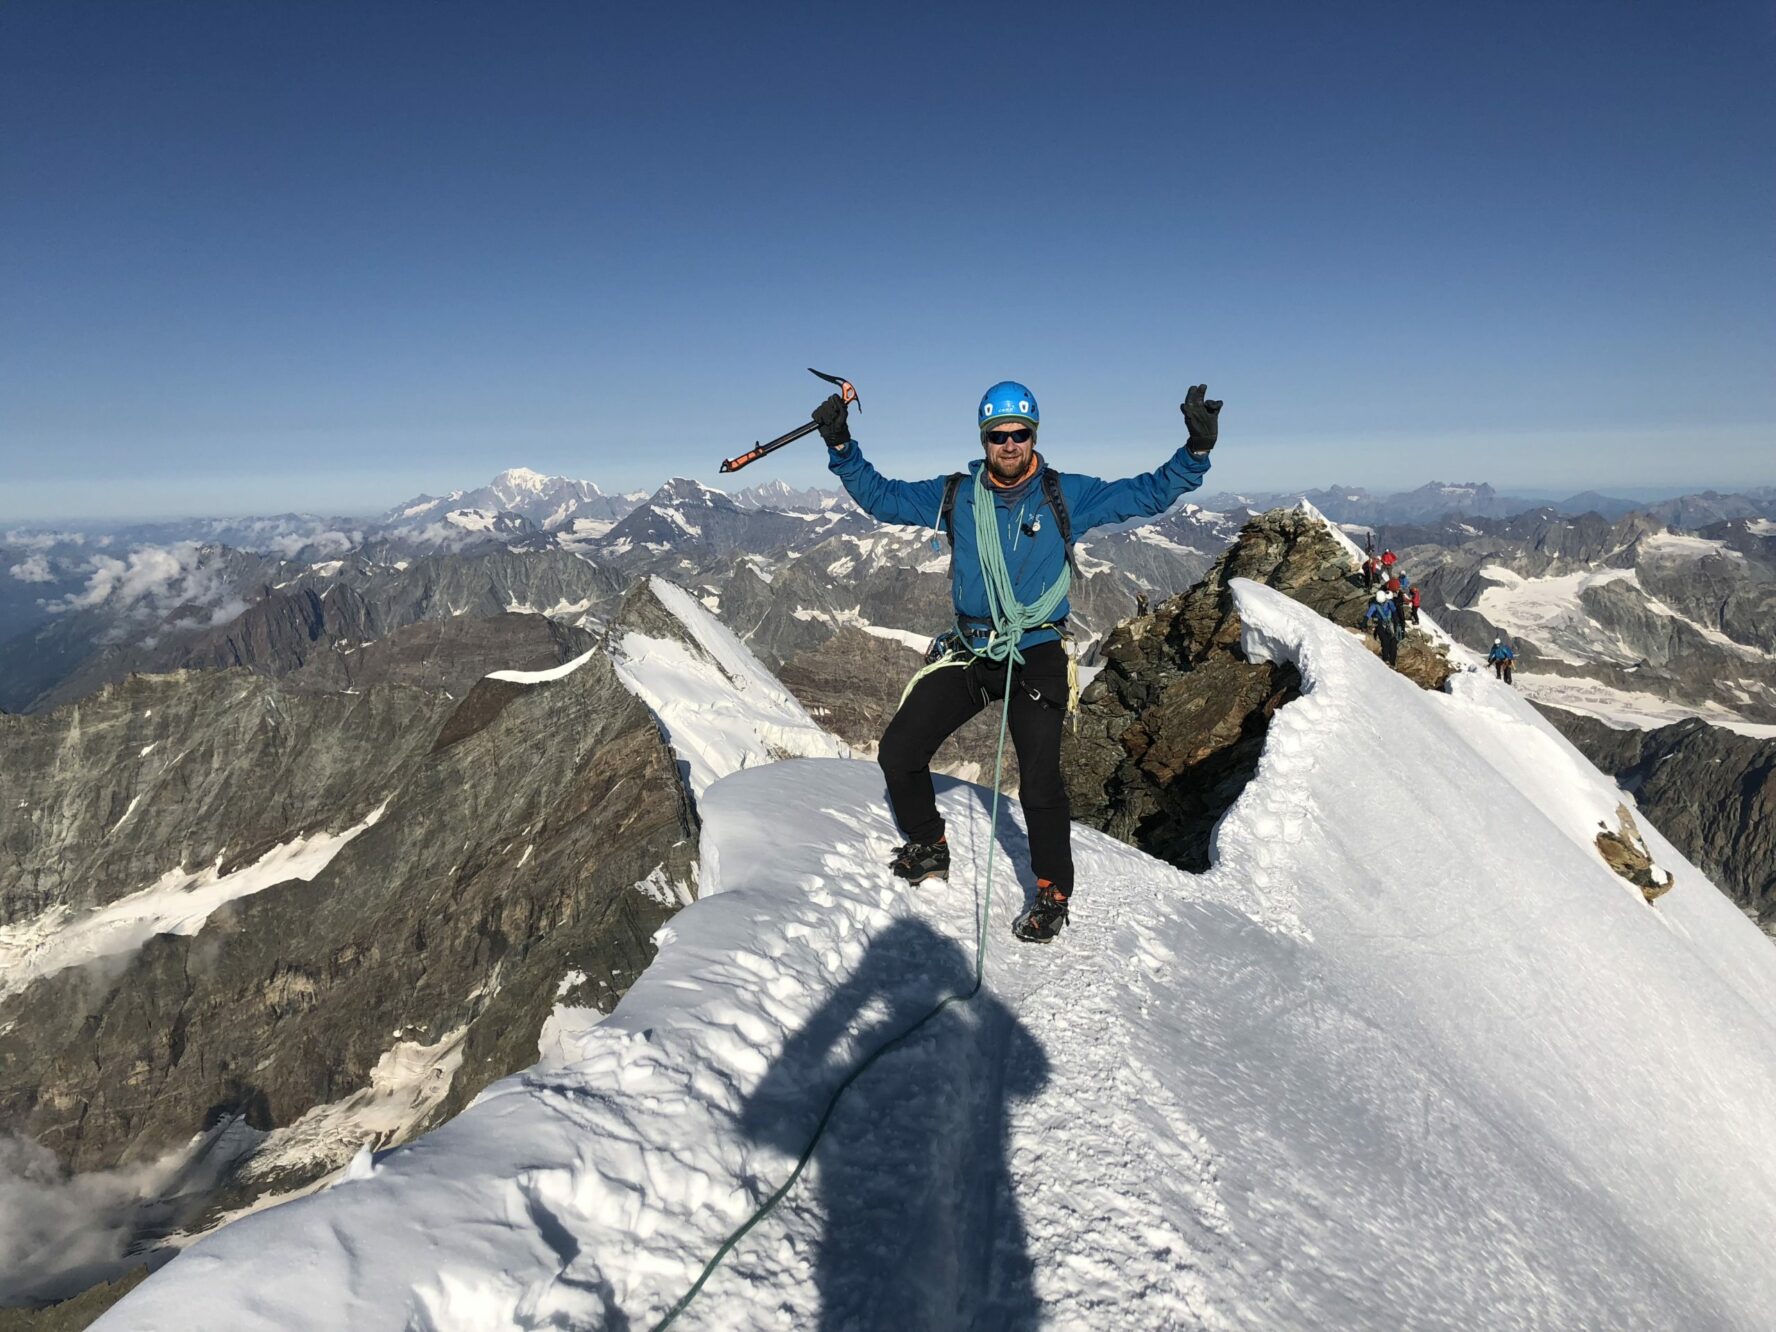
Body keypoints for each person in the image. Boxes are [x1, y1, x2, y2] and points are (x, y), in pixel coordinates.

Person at [812, 379, 1221, 943]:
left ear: (1033, 436)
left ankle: (1052, 890)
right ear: (984, 439)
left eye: (1019, 434)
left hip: (1034, 649)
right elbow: (883, 497)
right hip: (975, 648)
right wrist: (841, 447)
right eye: (999, 435)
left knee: (1039, 780)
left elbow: (1145, 493)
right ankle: (930, 844)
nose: (1009, 444)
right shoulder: (956, 495)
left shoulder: (1062, 494)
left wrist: (1195, 452)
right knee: (900, 751)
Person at [1363, 589, 1401, 667]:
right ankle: (1388, 660)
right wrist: (1396, 624)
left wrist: (1363, 624)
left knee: (1390, 643)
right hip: (1387, 624)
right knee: (1387, 641)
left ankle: (1389, 661)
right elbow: (1394, 613)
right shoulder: (1388, 603)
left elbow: (1368, 615)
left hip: (1385, 624)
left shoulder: (1375, 605)